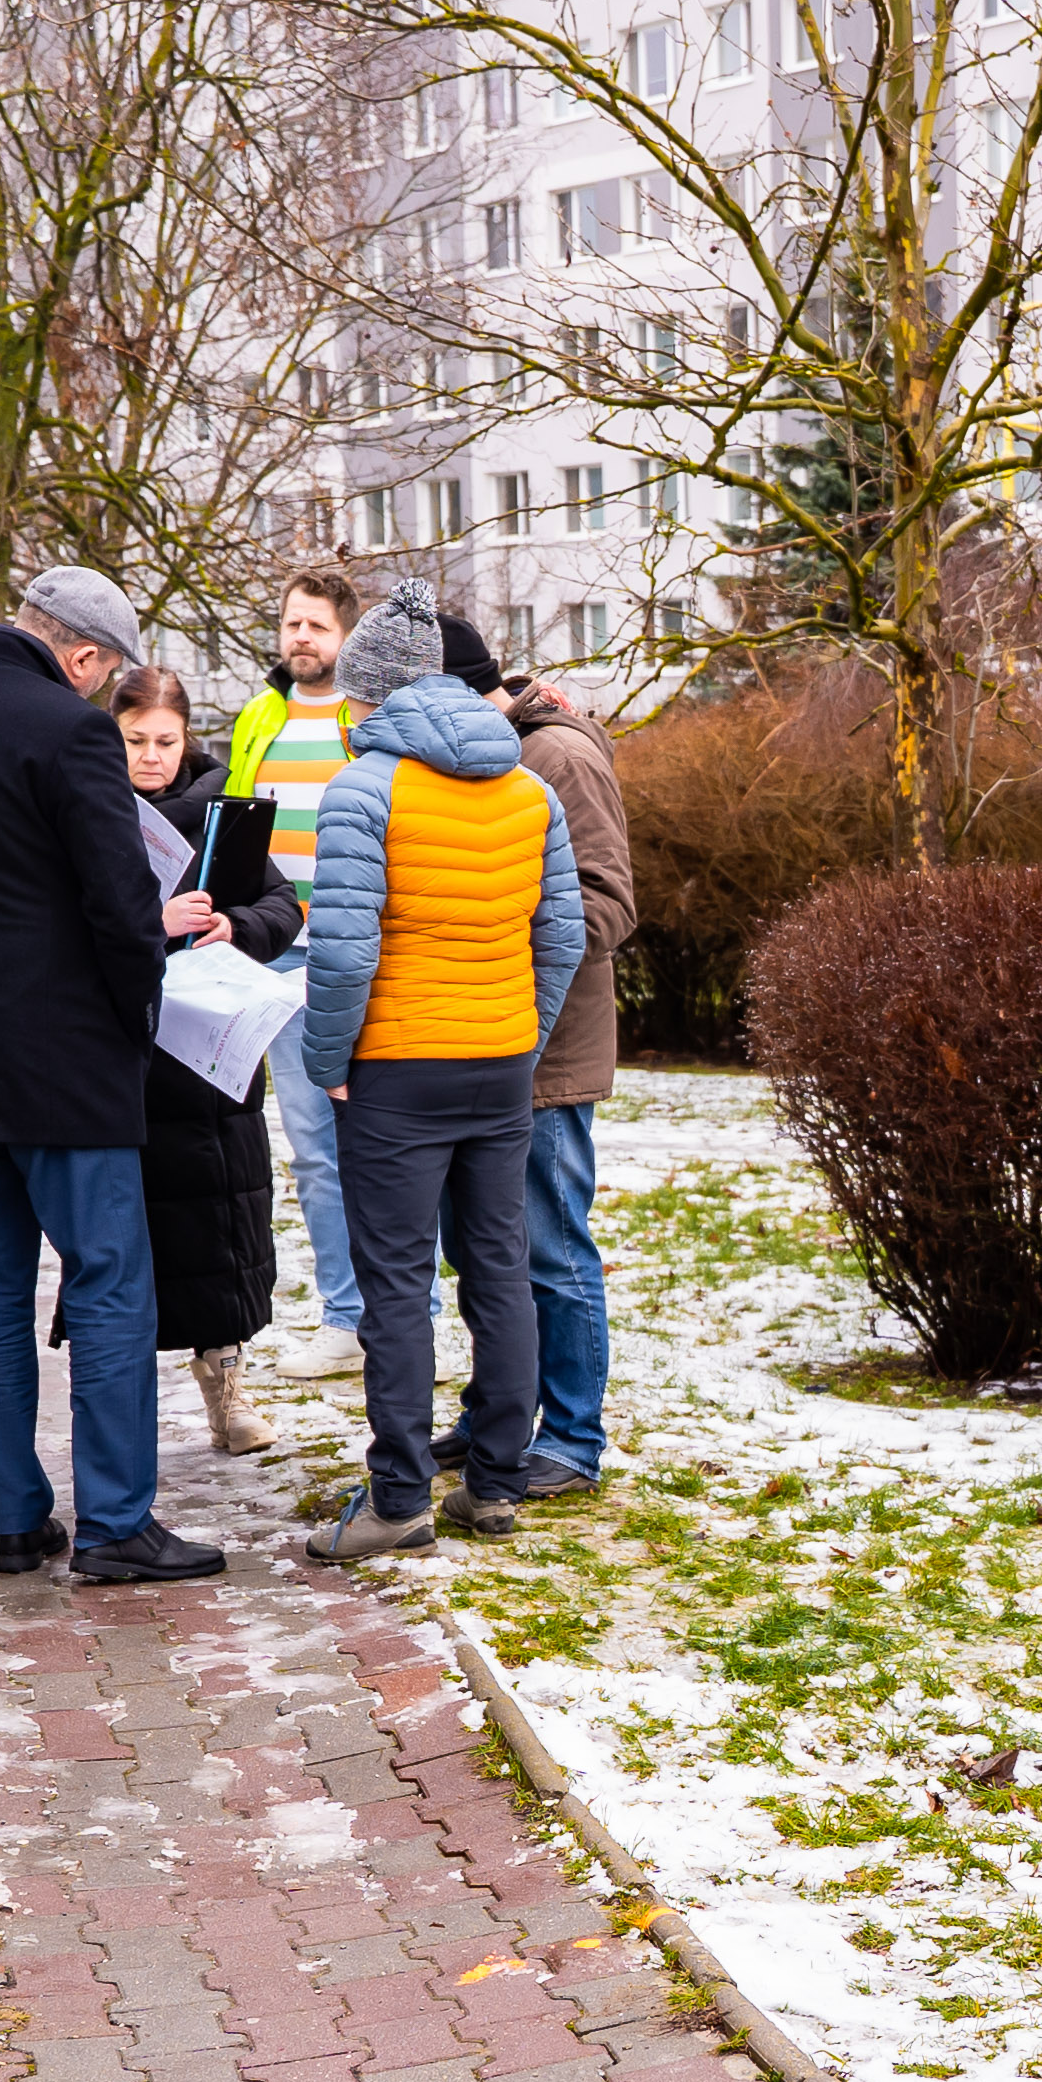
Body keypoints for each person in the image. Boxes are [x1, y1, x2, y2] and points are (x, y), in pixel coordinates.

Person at [0, 564, 223, 1587]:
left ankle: (20, 1520)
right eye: (102, 669)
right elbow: (121, 907)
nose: (97, 688)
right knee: (112, 1283)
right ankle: (116, 1522)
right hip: (64, 1058)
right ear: (81, 653)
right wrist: (138, 1016)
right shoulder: (71, 731)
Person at [287, 591, 583, 1562]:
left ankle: (401, 1495)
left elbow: (339, 956)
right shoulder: (526, 788)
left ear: (368, 692)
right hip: (498, 1065)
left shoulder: (364, 790)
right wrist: (522, 1041)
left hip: (397, 1074)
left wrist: (329, 1062)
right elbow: (563, 938)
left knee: (397, 1284)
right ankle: (495, 1483)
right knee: (498, 1271)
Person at [109, 659, 306, 1454]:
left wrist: (238, 928)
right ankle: (126, 1409)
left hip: (215, 1057)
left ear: (188, 739)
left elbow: (281, 903)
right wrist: (150, 921)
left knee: (224, 1226)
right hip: (129, 1054)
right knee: (134, 1235)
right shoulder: (90, 808)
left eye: (165, 739)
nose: (151, 755)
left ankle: (225, 1382)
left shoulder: (221, 812)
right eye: (135, 739)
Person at [225, 565, 373, 1369]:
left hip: (360, 956)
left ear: (345, 634)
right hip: (280, 954)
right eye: (291, 624)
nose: (301, 638)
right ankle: (344, 1318)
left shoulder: (370, 718)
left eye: (316, 625)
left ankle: (402, 1313)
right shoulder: (259, 718)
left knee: (379, 1137)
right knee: (312, 1145)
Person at [500, 662, 636, 1496]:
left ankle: (574, 1440)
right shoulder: (501, 752)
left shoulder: (559, 757)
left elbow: (608, 905)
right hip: (496, 1043)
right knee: (496, 1253)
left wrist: (495, 932)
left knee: (553, 1249)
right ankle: (500, 1415)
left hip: (552, 1055)